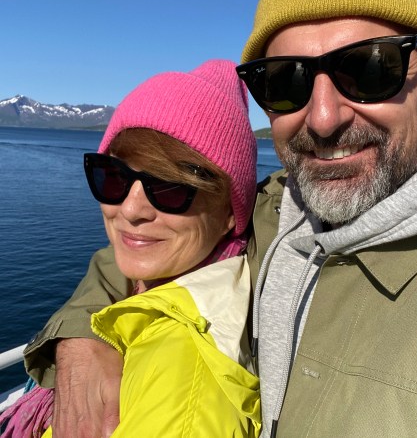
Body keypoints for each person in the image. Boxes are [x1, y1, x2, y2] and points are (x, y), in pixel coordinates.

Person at [22, 0, 417, 436]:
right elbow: (146, 245)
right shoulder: (272, 211)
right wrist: (84, 337)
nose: (323, 118)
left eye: (371, 70)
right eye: (285, 82)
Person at [3, 59, 261, 437]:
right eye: (112, 177)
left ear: (229, 214)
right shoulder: (142, 298)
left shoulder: (184, 378)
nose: (129, 209)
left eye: (171, 187)